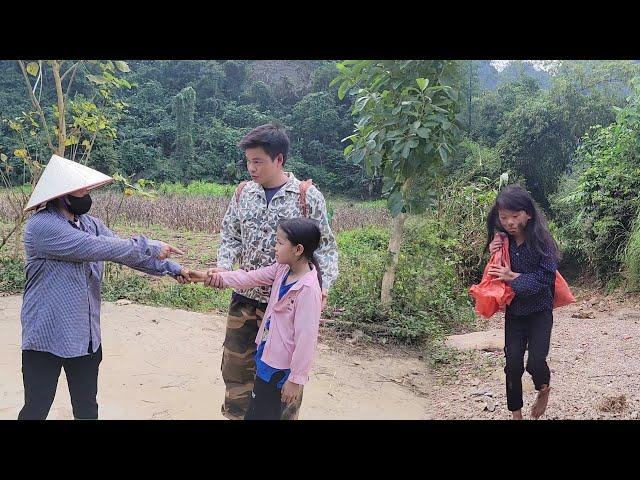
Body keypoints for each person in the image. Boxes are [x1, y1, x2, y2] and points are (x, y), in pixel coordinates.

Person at [18, 154, 192, 420]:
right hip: (46, 336)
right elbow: (101, 248)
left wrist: (174, 269)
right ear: (62, 194)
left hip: (86, 336)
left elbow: (125, 253)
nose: (87, 193)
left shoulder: (90, 224)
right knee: (36, 408)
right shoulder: (41, 227)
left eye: (88, 188)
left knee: (87, 408)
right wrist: (150, 245)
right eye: (81, 188)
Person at [206, 123, 338, 420]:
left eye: (258, 161)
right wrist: (224, 269)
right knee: (236, 371)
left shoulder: (307, 196)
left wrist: (324, 286)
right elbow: (230, 236)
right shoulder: (243, 193)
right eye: (248, 161)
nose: (251, 168)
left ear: (278, 159)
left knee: (282, 384)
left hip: (288, 306)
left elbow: (326, 248)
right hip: (245, 299)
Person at [193, 218, 322, 420]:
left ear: (298, 249)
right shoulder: (283, 271)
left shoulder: (307, 290)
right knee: (256, 412)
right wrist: (205, 276)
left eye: (280, 243)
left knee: (270, 414)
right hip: (266, 358)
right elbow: (248, 278)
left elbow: (306, 340)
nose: (274, 247)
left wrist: (296, 380)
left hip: (280, 371)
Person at [485, 184, 559, 420]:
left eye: (515, 216)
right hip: (515, 313)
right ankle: (516, 416)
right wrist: (492, 252)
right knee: (513, 365)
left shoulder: (543, 241)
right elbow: (493, 272)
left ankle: (544, 389)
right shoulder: (502, 240)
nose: (509, 222)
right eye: (504, 217)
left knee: (536, 362)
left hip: (540, 311)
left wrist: (513, 277)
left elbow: (546, 278)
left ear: (528, 213)